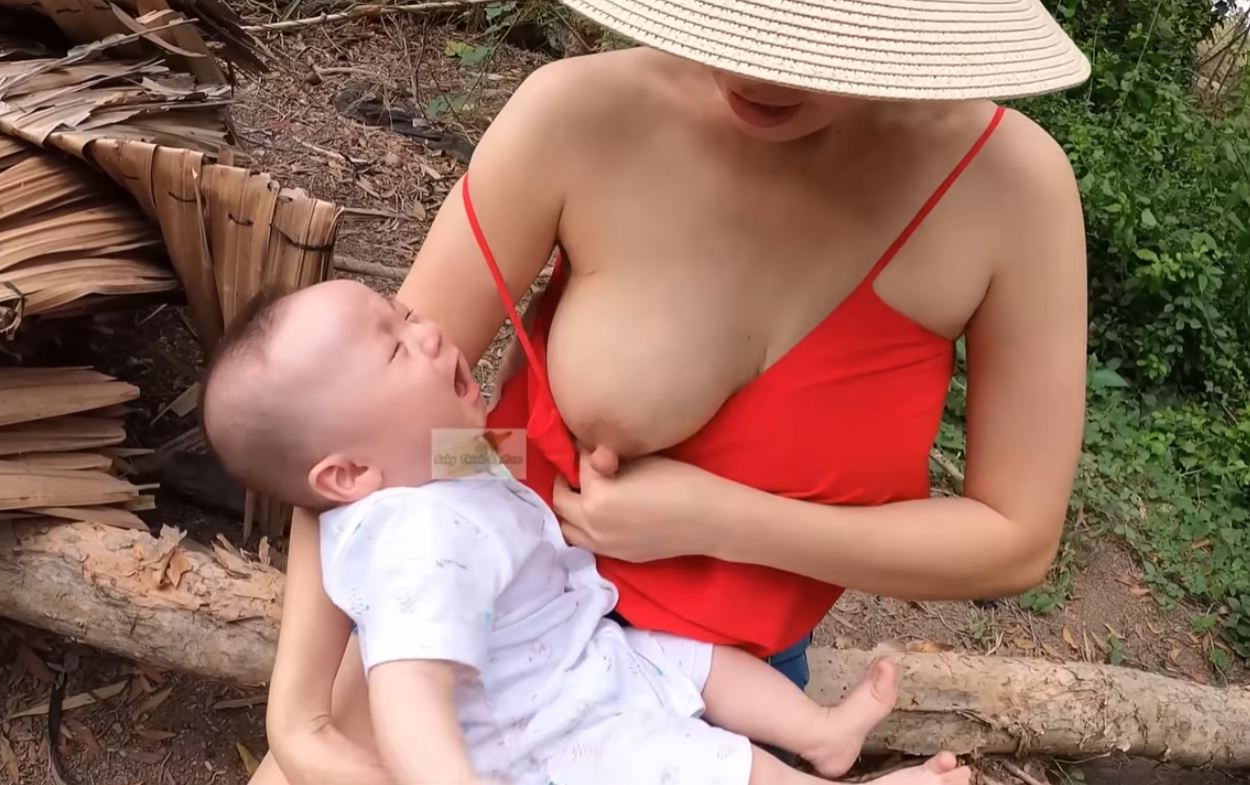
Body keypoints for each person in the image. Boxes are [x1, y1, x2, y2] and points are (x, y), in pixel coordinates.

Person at [252, 0, 1092, 782]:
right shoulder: (581, 114)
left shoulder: (1008, 189)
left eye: (810, 38)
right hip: (472, 642)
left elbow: (1014, 540)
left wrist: (714, 518)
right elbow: (359, 432)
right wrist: (299, 715)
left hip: (717, 694)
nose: (753, 70)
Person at [200, 278, 973, 785]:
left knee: (705, 662)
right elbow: (407, 696)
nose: (428, 332)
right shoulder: (414, 539)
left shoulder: (429, 459)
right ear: (347, 474)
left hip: (584, 649)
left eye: (404, 314)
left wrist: (575, 440)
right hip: (553, 730)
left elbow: (521, 457)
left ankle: (822, 731)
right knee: (712, 766)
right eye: (396, 348)